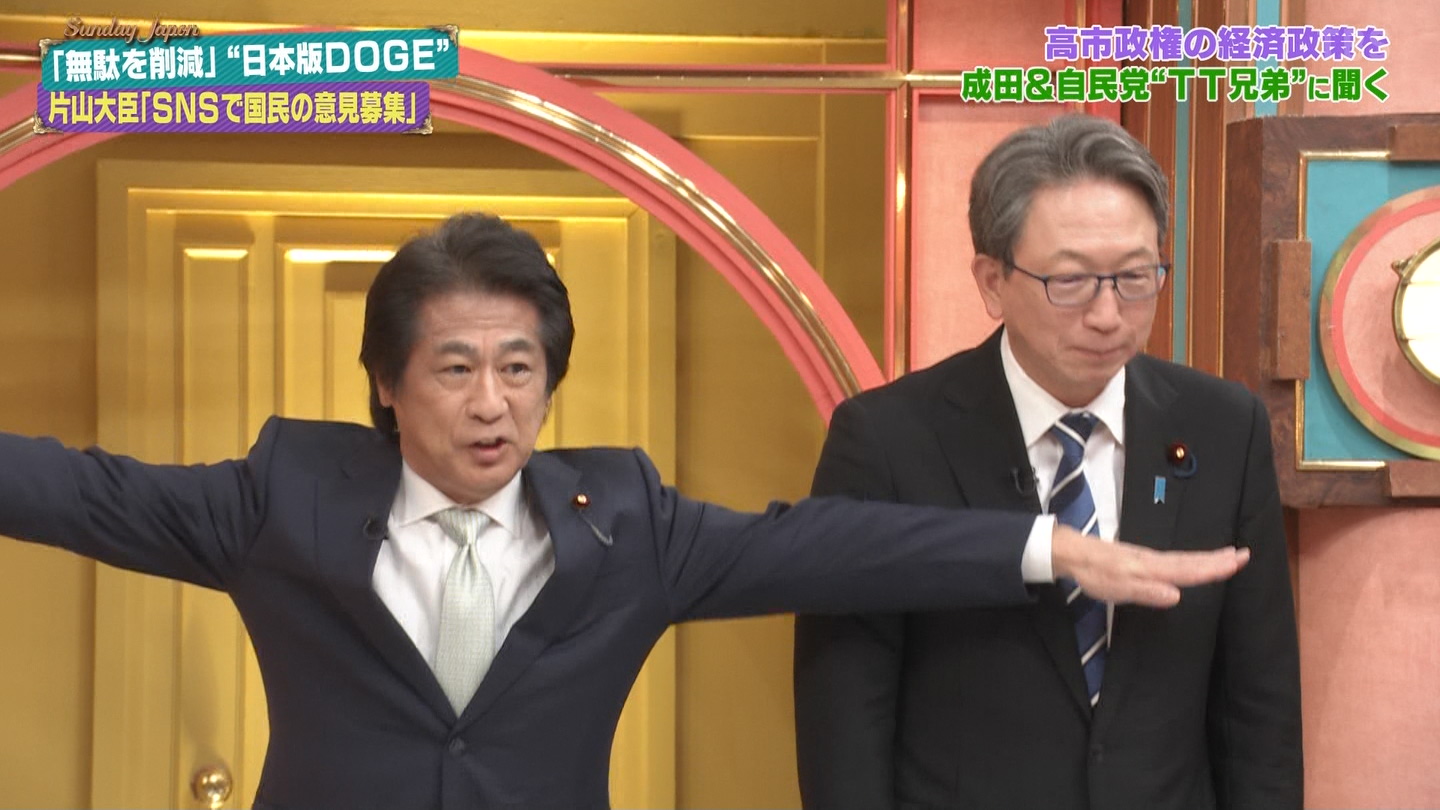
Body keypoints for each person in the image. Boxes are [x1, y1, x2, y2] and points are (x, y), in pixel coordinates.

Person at [0, 212, 1245, 810]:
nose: (491, 403)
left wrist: (1048, 546)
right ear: (385, 383)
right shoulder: (283, 500)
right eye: (454, 367)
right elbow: (76, 490)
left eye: (520, 368)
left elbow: (825, 546)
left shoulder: (627, 522)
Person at [794, 115, 1302, 810]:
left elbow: (1260, 713)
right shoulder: (888, 441)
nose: (1108, 314)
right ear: (992, 281)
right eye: (1071, 281)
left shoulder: (1223, 427)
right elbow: (844, 723)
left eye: (1135, 277)